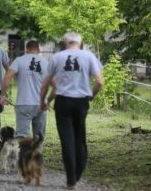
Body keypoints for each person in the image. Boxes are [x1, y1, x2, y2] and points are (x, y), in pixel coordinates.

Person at [40, 32, 103, 189]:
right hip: (81, 101)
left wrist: (43, 100)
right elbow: (100, 82)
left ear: (64, 43)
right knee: (79, 137)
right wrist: (92, 95)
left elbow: (45, 83)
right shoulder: (89, 56)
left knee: (66, 139)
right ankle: (78, 171)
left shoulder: (57, 57)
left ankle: (71, 180)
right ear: (80, 43)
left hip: (63, 101)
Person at [0, 40, 50, 141]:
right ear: (39, 50)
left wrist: (3, 95)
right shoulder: (46, 62)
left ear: (26, 50)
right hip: (41, 103)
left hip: (23, 103)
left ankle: (22, 156)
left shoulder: (19, 60)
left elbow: (7, 77)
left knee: (22, 136)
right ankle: (37, 156)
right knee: (39, 137)